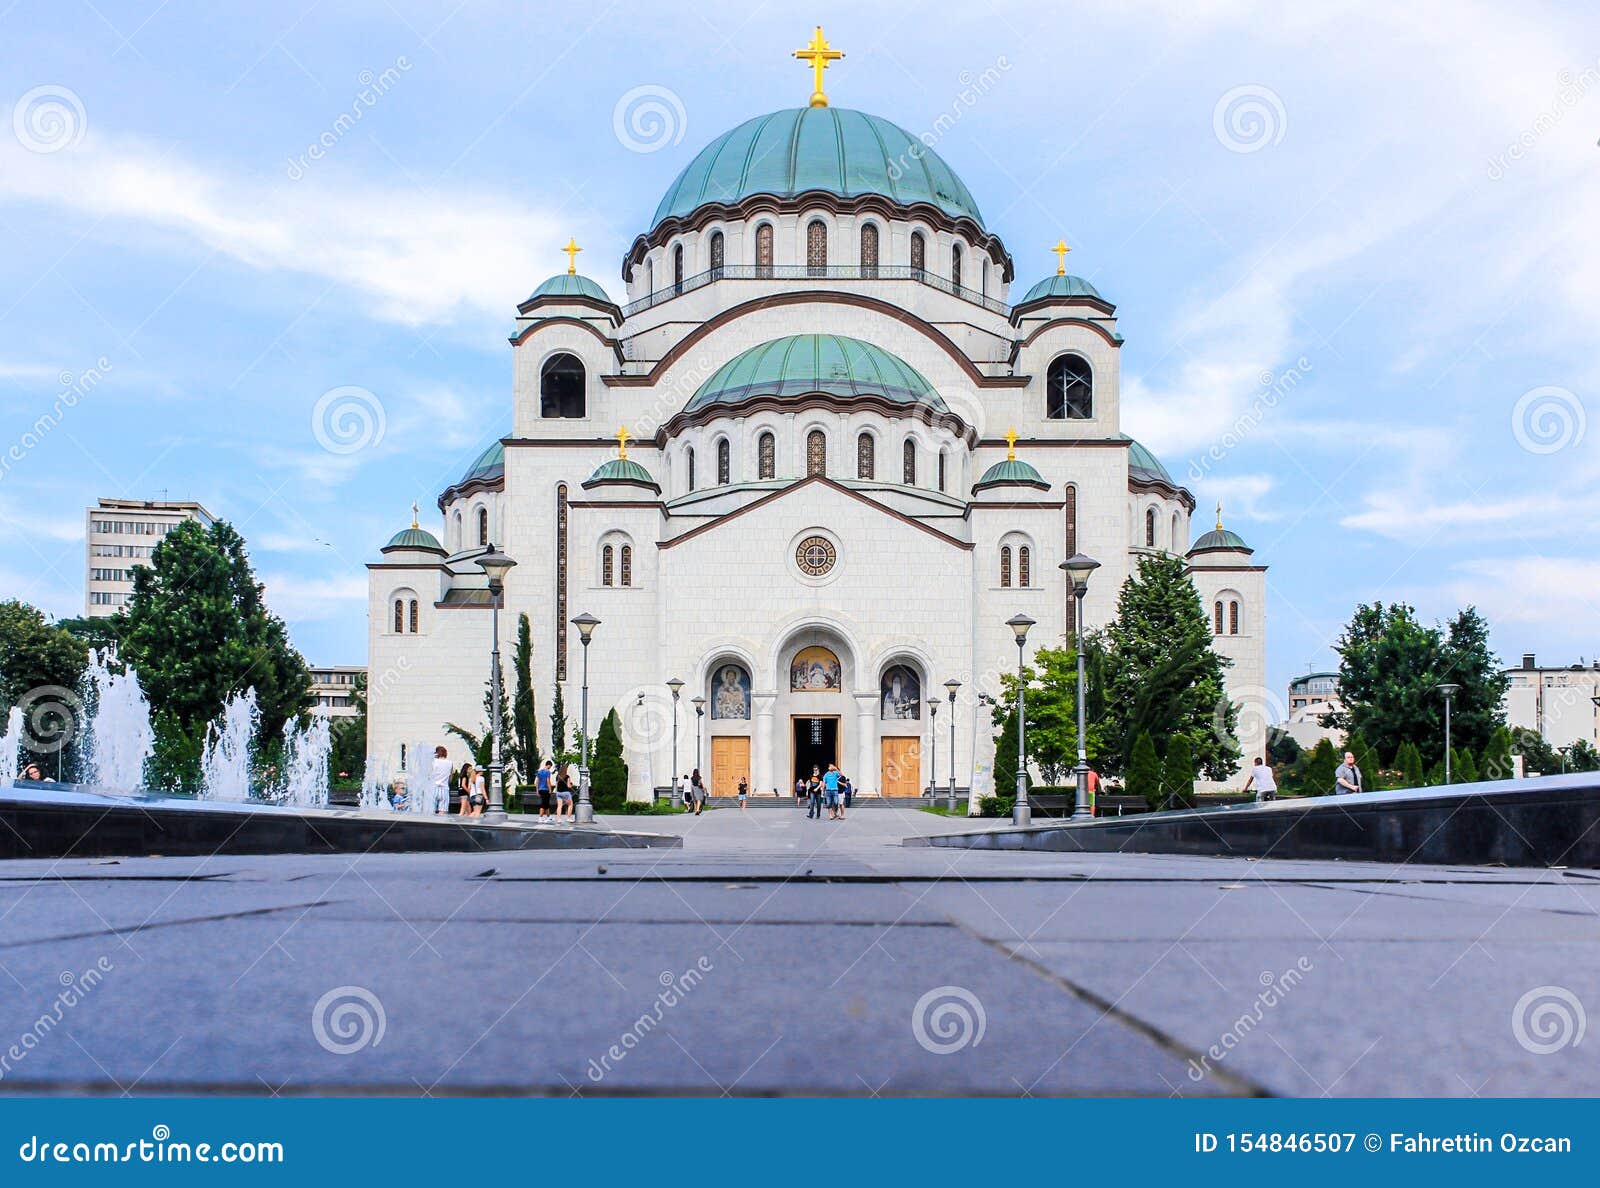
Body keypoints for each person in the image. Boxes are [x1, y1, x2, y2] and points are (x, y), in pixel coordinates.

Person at [430, 746, 452, 816]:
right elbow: (450, 777)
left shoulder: (433, 762)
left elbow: (429, 775)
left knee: (431, 810)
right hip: (444, 788)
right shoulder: (450, 763)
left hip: (433, 788)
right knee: (443, 811)